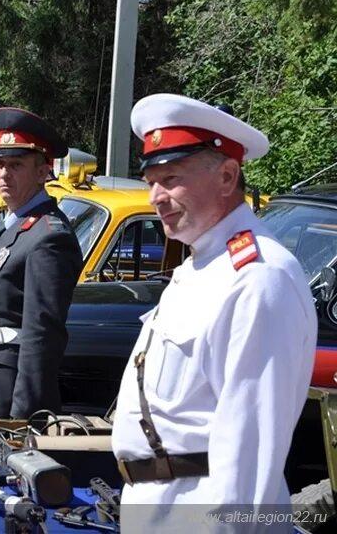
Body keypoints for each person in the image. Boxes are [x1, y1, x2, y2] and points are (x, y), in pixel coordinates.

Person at [110, 94, 317, 532]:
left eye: (170, 179)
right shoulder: (204, 264)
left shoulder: (258, 278)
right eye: (151, 181)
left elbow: (249, 452)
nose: (156, 198)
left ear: (227, 176)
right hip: (158, 507)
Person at [0, 107, 83, 420]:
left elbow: (41, 337)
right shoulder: (19, 224)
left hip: (9, 400)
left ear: (43, 172)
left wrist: (26, 418)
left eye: (16, 165)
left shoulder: (49, 237)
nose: (4, 174)